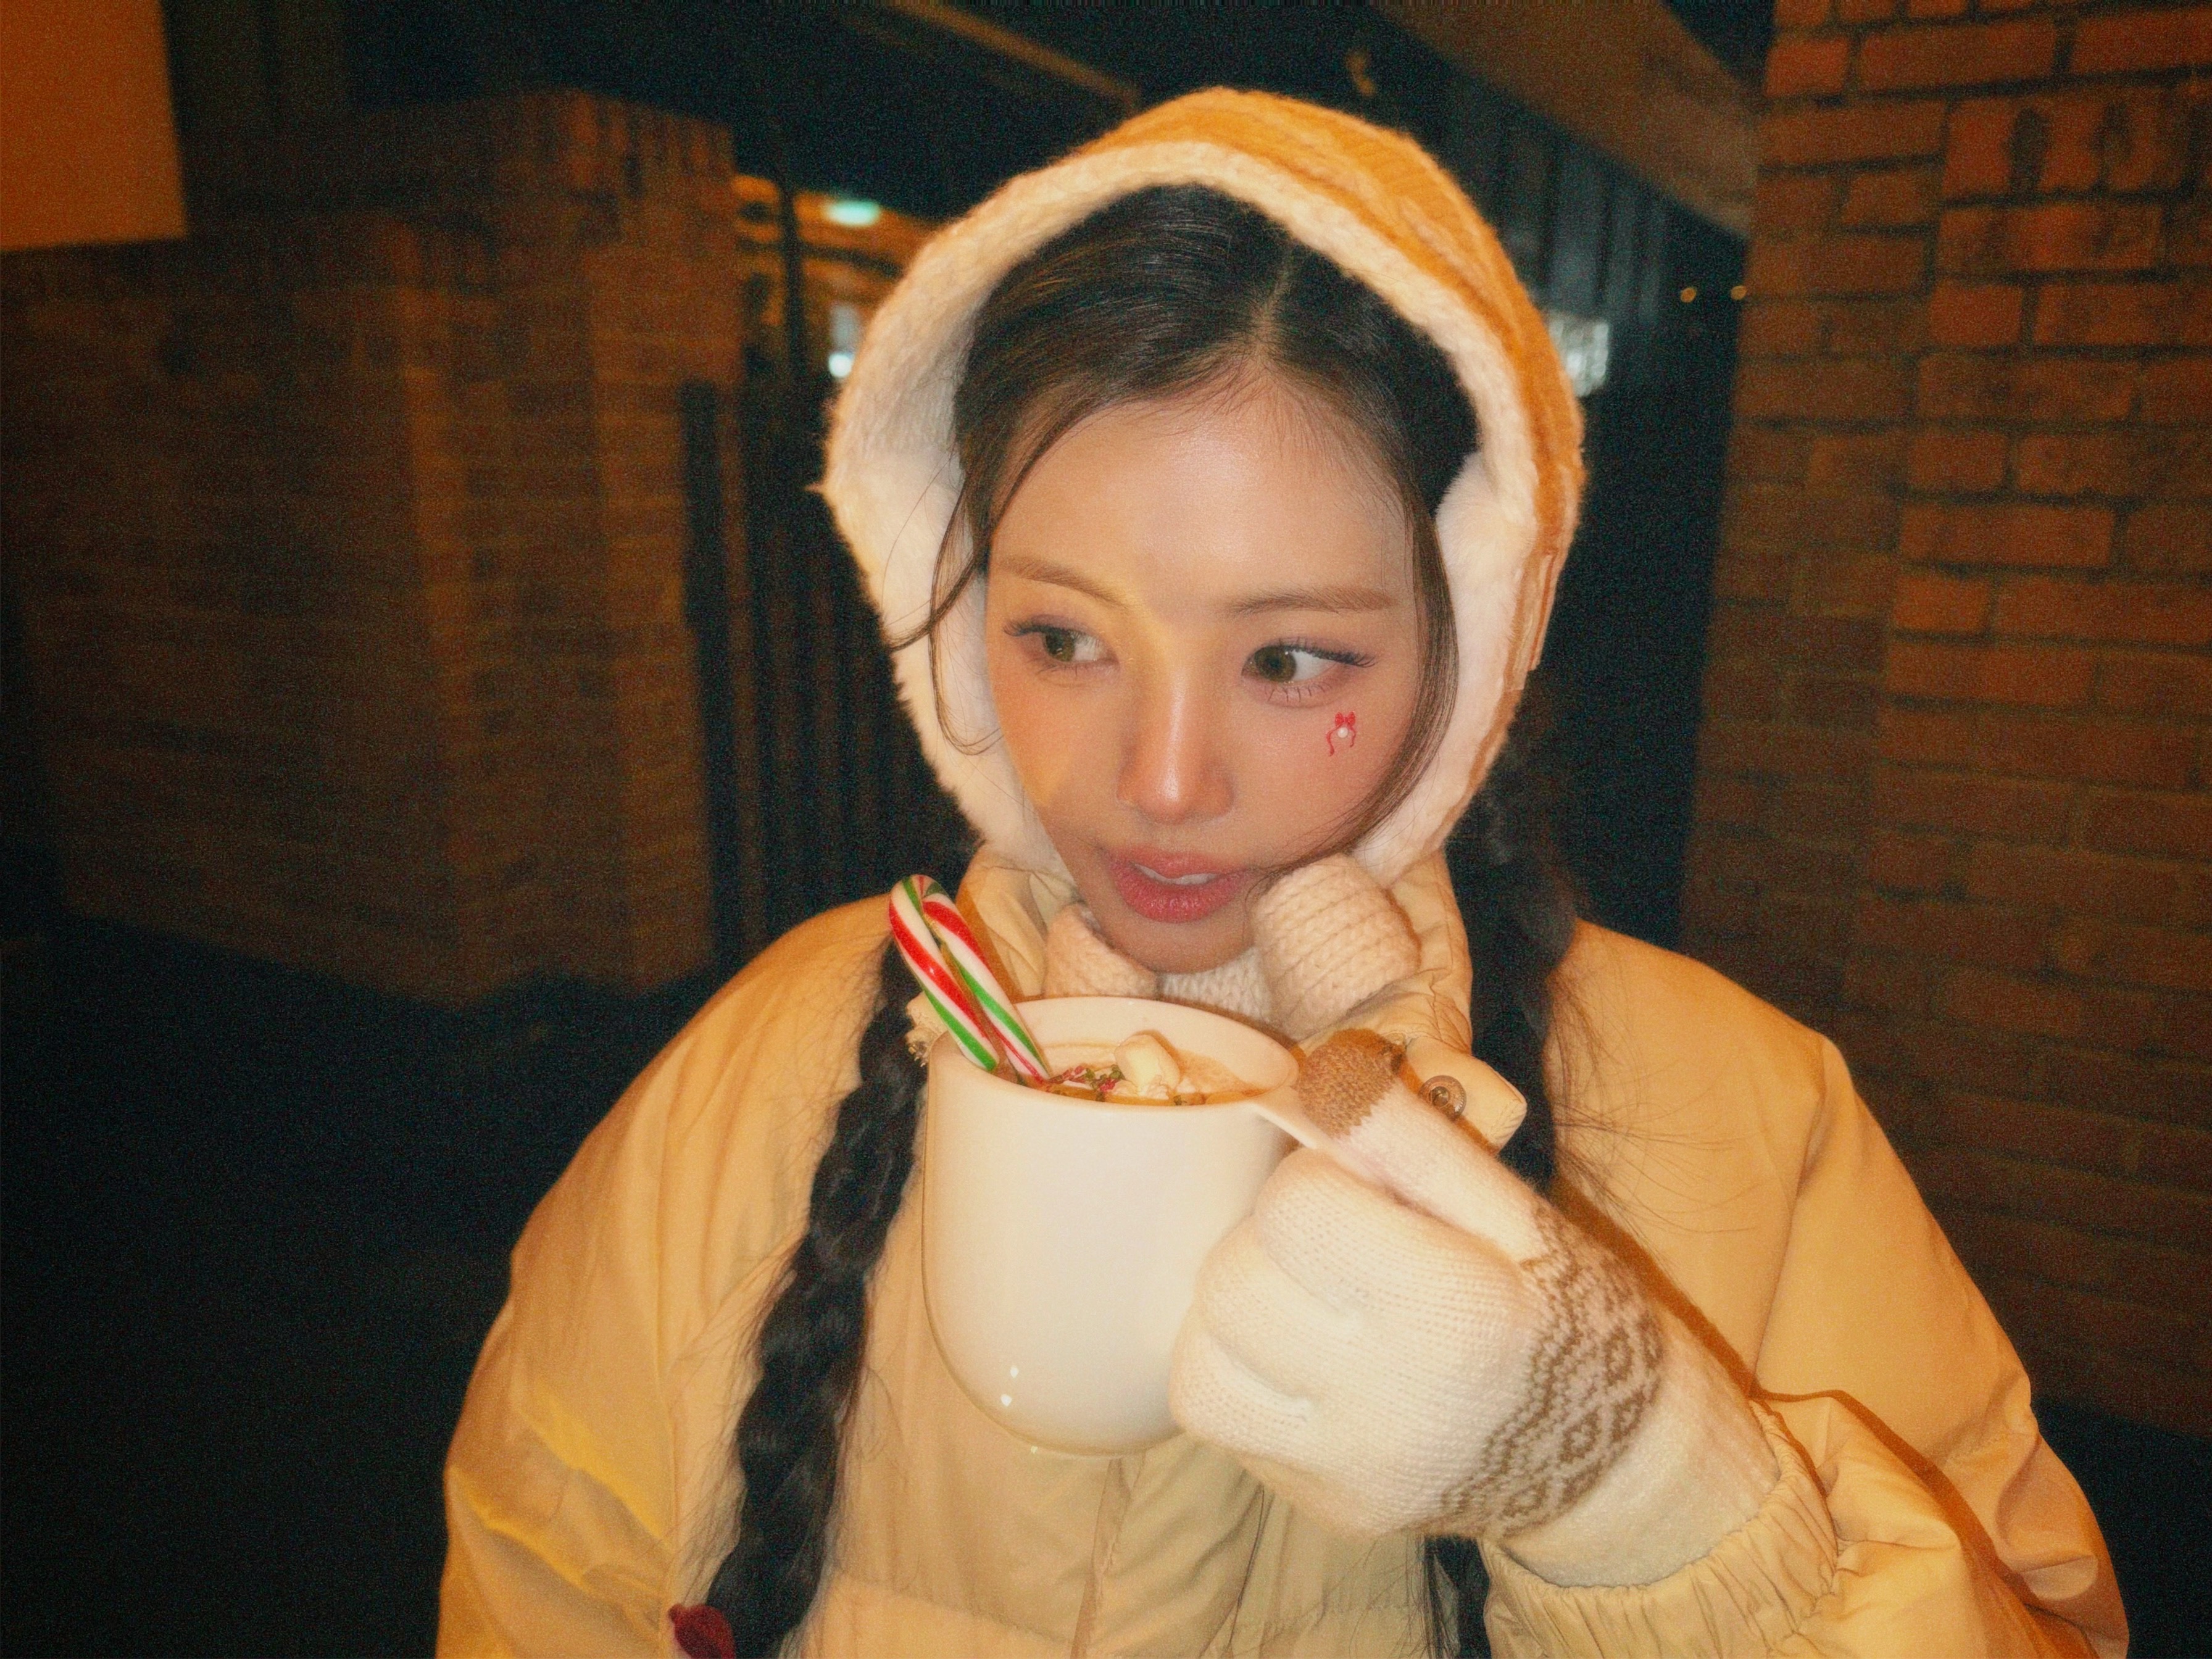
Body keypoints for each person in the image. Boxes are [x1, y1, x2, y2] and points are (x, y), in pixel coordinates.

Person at [438, 91, 2126, 1658]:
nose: (1161, 783)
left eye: (1292, 658)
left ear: (1470, 638)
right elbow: (539, 1575)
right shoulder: (765, 1070)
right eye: (1062, 637)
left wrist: (1638, 1488)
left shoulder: (1745, 1127)